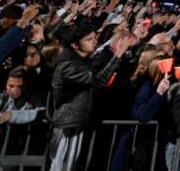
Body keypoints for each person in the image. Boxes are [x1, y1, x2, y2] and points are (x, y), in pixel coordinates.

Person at [49, 24, 133, 171]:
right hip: (68, 125)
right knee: (62, 166)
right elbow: (98, 80)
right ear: (75, 45)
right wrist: (118, 55)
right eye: (89, 39)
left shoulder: (83, 61)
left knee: (72, 164)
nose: (94, 41)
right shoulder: (69, 65)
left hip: (78, 122)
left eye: (95, 38)